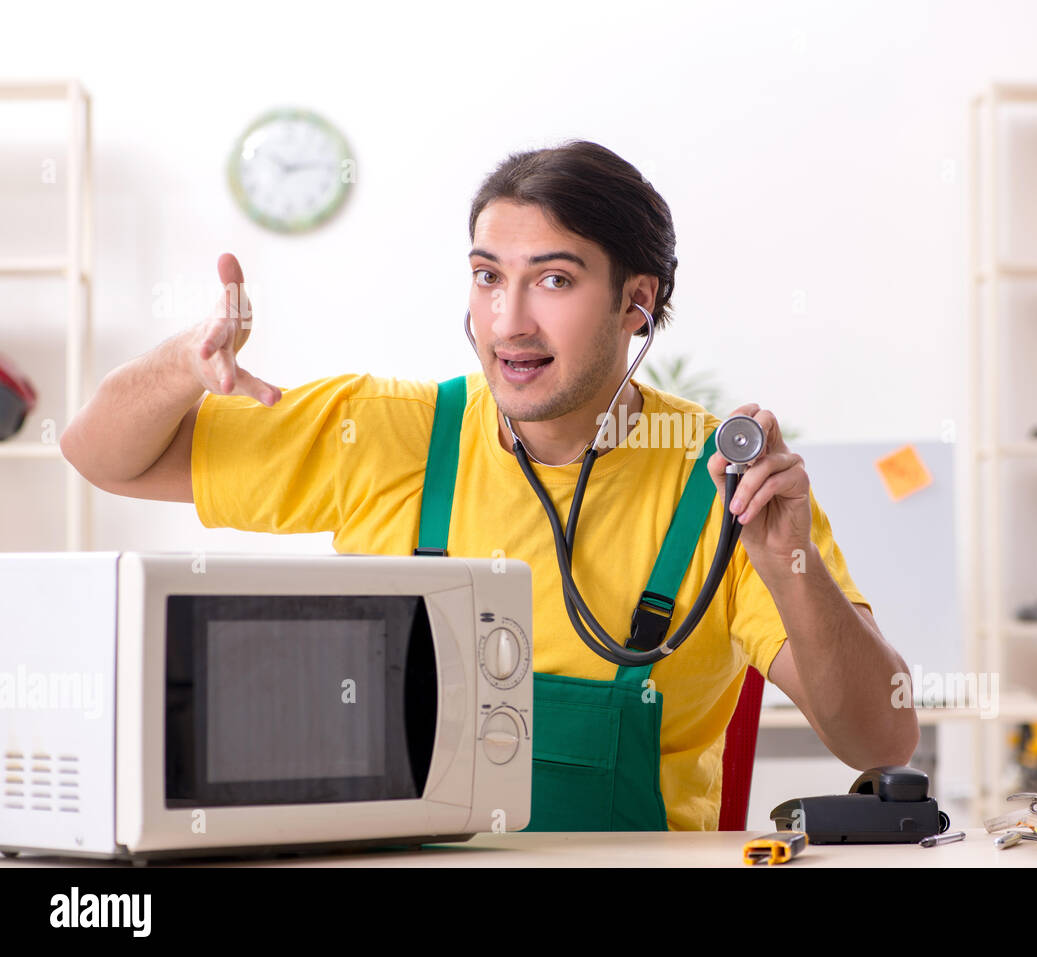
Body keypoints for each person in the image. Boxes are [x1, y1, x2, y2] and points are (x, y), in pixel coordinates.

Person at [61, 139, 918, 831]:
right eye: (486, 276)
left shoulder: (724, 484)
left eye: (553, 279)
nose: (509, 320)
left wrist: (789, 565)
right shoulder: (387, 432)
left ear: (636, 305)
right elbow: (102, 454)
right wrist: (182, 363)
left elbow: (881, 738)